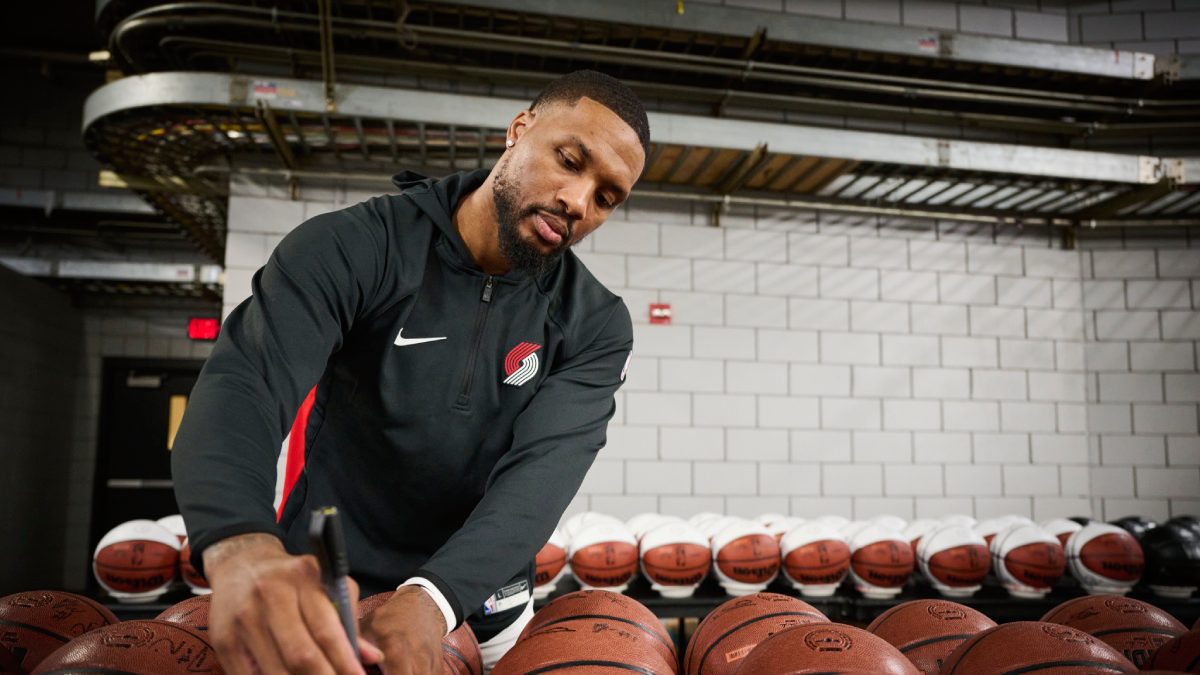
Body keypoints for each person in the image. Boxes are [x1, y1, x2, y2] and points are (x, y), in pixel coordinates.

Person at [171, 70, 649, 674]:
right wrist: (240, 545)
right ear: (519, 130)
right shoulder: (355, 247)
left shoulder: (596, 323)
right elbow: (246, 385)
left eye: (606, 197)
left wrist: (434, 597)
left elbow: (541, 476)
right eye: (569, 159)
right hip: (331, 580)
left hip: (477, 600)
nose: (578, 202)